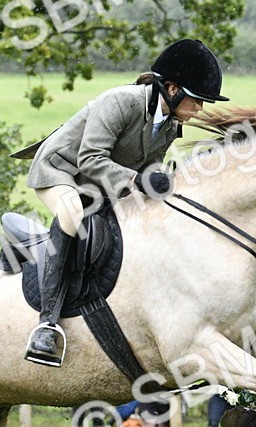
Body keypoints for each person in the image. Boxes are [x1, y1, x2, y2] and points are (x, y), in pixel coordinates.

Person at [15, 39, 229, 367]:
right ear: (172, 89)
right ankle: (47, 324)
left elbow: (146, 170)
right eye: (197, 100)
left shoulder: (171, 125)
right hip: (60, 170)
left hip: (102, 183)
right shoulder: (120, 101)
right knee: (72, 212)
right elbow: (89, 158)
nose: (200, 109)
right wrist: (136, 181)